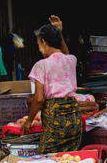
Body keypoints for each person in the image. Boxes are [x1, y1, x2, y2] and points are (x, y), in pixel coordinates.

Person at [23, 15, 82, 153]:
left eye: (38, 44)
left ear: (43, 41)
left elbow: (39, 99)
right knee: (69, 155)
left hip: (54, 115)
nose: (39, 49)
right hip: (73, 114)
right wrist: (59, 33)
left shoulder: (41, 65)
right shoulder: (71, 60)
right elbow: (65, 54)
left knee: (46, 155)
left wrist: (29, 120)